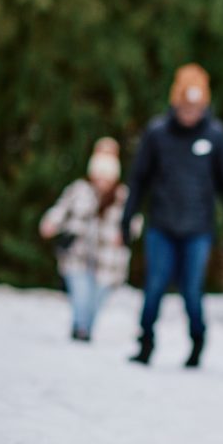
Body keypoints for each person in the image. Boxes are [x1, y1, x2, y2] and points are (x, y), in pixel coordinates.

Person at [121, 63, 223, 368]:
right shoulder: (157, 133)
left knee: (192, 291)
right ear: (175, 102)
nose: (190, 113)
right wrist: (127, 218)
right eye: (185, 107)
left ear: (204, 105)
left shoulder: (215, 136)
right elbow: (139, 180)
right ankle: (145, 342)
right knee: (154, 286)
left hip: (197, 229)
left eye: (196, 108)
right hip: (161, 225)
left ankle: (197, 343)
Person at [40, 138, 138, 342]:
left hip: (109, 260)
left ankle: (84, 327)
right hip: (78, 254)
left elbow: (135, 223)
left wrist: (125, 234)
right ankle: (81, 330)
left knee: (96, 300)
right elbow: (60, 210)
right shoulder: (79, 190)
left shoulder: (122, 196)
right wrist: (49, 223)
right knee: (81, 294)